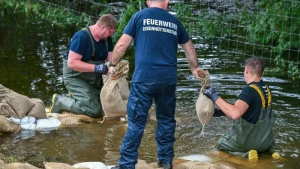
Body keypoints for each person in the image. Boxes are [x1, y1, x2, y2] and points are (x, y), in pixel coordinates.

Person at [109, 0, 204, 169]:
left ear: (147, 2)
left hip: (144, 78)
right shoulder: (174, 21)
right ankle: (165, 162)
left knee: (136, 123)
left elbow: (123, 44)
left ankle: (126, 165)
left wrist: (112, 64)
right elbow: (189, 48)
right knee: (166, 121)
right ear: (166, 2)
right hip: (167, 80)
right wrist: (195, 68)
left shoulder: (139, 16)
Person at [203, 57, 276, 159]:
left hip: (248, 142)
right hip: (265, 142)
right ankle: (273, 153)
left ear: (246, 69)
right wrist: (221, 112)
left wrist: (214, 96)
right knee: (263, 146)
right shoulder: (266, 89)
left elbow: (235, 114)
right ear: (262, 73)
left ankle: (245, 154)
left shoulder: (249, 90)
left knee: (220, 146)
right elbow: (249, 110)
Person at [50, 14, 117, 118]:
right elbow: (71, 63)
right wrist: (96, 68)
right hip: (76, 77)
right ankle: (61, 101)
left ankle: (78, 96)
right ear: (104, 27)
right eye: (110, 32)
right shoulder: (81, 37)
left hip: (94, 78)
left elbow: (110, 61)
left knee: (109, 102)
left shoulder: (107, 39)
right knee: (94, 110)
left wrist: (112, 68)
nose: (110, 35)